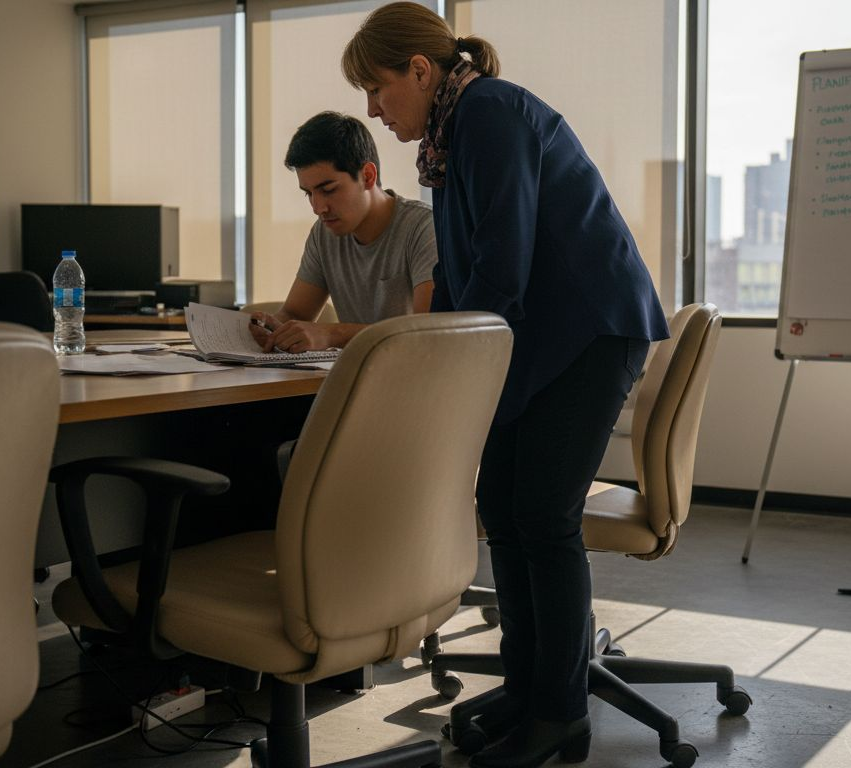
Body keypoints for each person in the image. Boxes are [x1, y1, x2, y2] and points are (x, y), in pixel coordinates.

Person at [342, 6, 670, 768]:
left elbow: (503, 265)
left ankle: (560, 713)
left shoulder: (488, 111)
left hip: (587, 328)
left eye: (377, 88)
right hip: (544, 334)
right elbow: (463, 273)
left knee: (542, 515)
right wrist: (434, 354)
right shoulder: (449, 138)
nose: (371, 108)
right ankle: (529, 688)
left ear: (420, 71)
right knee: (503, 509)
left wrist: (446, 369)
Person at [249, 111, 436, 354]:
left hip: (413, 381)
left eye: (328, 190)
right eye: (309, 193)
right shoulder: (324, 233)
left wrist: (332, 333)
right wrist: (270, 328)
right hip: (355, 378)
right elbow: (295, 314)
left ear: (368, 176)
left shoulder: (423, 228)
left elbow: (426, 330)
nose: (318, 208)